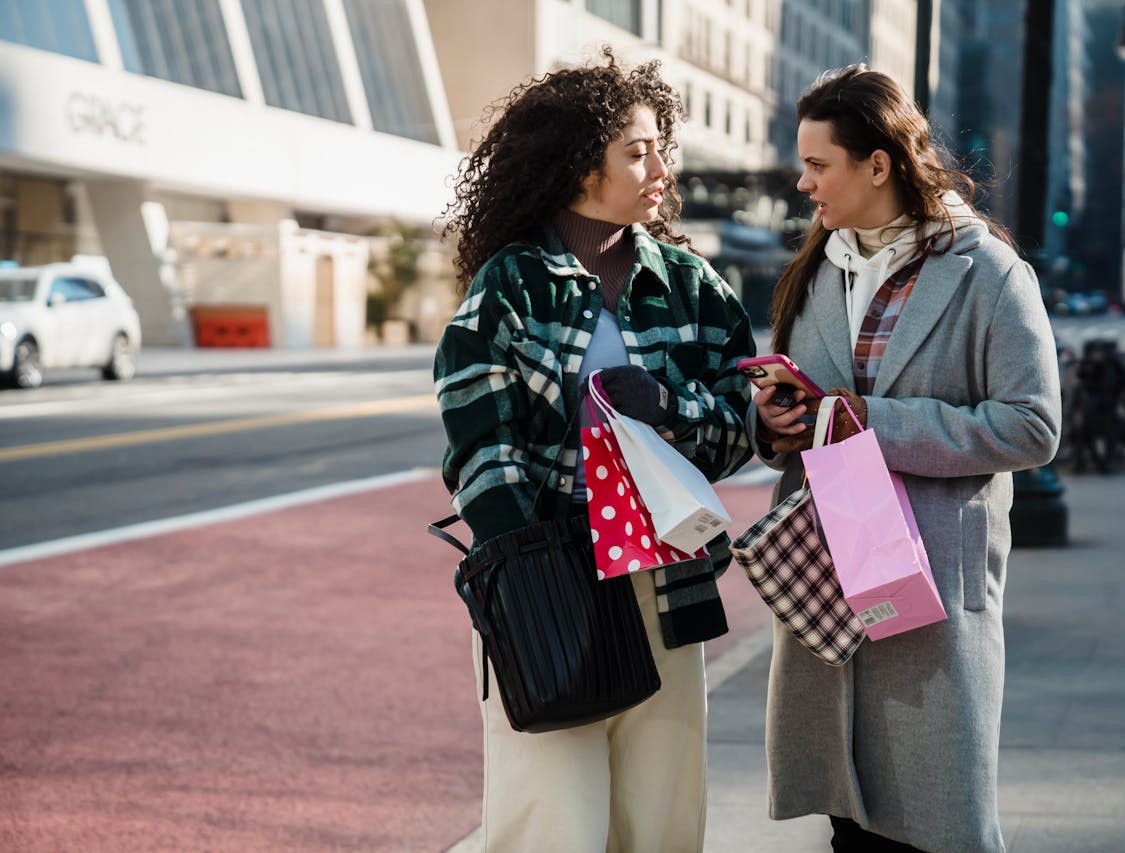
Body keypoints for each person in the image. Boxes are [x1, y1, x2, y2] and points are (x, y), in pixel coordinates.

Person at [433, 50, 756, 853]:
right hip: (548, 585)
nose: (660, 167)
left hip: (667, 582)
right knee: (549, 823)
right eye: (636, 150)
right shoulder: (512, 284)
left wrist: (672, 410)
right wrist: (525, 564)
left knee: (662, 826)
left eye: (661, 147)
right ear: (579, 164)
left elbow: (740, 426)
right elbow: (477, 433)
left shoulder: (690, 285)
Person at [750, 65, 1061, 853]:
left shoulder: (987, 272)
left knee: (933, 829)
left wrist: (873, 422)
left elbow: (1032, 426)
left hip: (927, 598)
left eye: (819, 164)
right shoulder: (816, 273)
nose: (802, 181)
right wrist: (777, 423)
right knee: (848, 824)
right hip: (830, 587)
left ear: (877, 165)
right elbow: (813, 408)